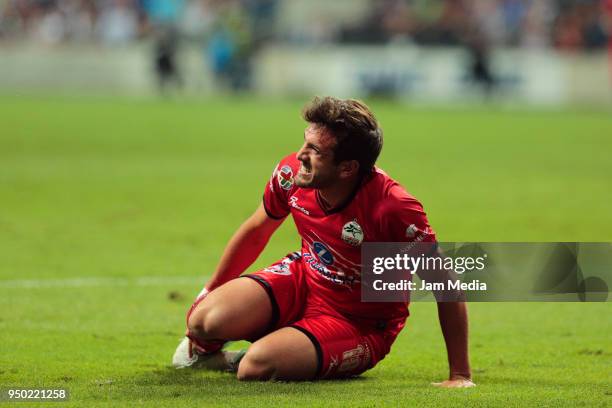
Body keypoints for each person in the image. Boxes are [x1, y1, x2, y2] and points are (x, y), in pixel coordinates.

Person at [172, 96, 474, 387]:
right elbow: (257, 231)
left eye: (314, 150)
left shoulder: (393, 208)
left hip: (358, 323)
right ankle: (211, 354)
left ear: (347, 168)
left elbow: (445, 285)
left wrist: (460, 375)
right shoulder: (292, 173)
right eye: (305, 141)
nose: (301, 155)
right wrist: (208, 290)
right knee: (204, 319)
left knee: (256, 366)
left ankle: (267, 351)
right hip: (305, 279)